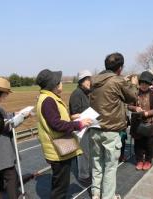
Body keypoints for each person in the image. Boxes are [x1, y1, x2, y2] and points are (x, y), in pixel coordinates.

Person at [36, 69, 92, 199]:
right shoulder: (49, 100)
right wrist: (79, 124)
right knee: (61, 186)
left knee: (60, 183)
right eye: (59, 81)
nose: (61, 83)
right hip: (57, 150)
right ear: (53, 85)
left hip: (56, 148)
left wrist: (73, 120)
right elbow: (57, 124)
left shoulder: (47, 98)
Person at [89, 52, 138, 199]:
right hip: (111, 130)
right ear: (120, 68)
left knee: (97, 164)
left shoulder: (93, 81)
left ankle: (96, 193)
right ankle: (108, 196)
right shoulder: (118, 81)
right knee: (110, 167)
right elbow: (133, 97)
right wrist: (133, 84)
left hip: (95, 128)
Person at [128, 71, 153, 170]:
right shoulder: (135, 93)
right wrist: (135, 108)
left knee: (148, 143)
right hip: (136, 123)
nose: (143, 85)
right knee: (137, 143)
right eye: (142, 83)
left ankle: (147, 160)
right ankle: (139, 160)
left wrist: (148, 113)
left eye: (146, 83)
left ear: (150, 84)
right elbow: (128, 105)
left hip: (149, 123)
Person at [69, 69, 92, 184]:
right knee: (83, 152)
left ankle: (87, 171)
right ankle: (83, 175)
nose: (89, 82)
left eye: (90, 79)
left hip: (89, 126)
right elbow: (73, 115)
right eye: (87, 79)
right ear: (81, 81)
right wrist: (85, 116)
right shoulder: (76, 94)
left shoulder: (87, 93)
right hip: (81, 128)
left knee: (88, 151)